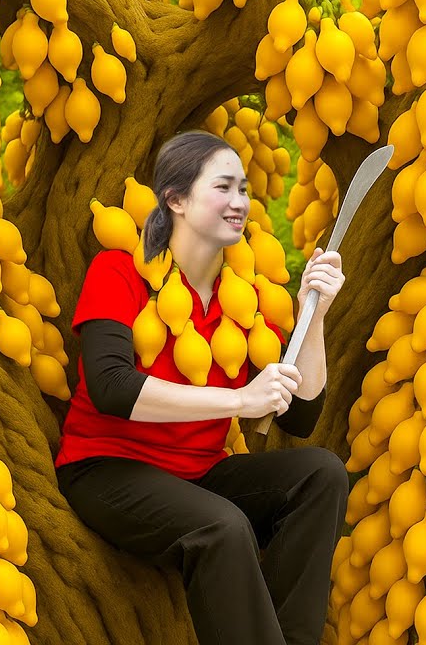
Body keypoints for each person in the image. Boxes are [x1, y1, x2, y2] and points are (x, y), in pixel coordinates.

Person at [54, 130, 349, 645]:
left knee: (319, 474)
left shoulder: (245, 299)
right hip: (107, 470)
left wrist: (315, 316)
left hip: (198, 475)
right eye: (224, 187)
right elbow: (111, 387)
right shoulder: (120, 270)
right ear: (176, 199)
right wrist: (238, 399)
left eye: (244, 189)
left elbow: (300, 417)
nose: (240, 201)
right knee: (224, 526)